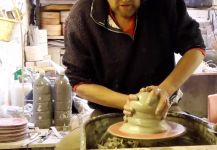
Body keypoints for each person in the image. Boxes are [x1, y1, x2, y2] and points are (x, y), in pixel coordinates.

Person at [56, 0, 205, 149]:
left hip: (162, 110)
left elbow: (195, 48)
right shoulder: (82, 16)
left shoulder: (166, 4)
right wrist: (127, 102)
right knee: (65, 147)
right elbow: (79, 82)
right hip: (108, 111)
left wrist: (165, 89)